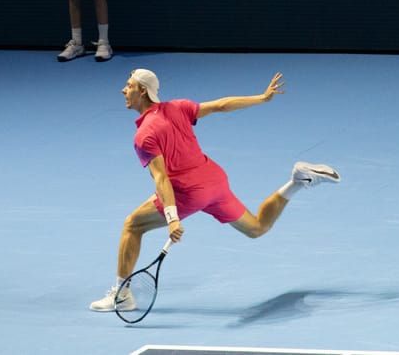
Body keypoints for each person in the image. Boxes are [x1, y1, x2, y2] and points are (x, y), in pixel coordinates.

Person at [89, 69, 341, 312]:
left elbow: (162, 179)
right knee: (257, 228)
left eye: (129, 85)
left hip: (189, 192)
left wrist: (172, 218)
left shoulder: (144, 136)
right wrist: (262, 98)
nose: (123, 90)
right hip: (215, 180)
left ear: (143, 91)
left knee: (133, 225)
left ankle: (121, 296)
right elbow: (221, 105)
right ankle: (298, 180)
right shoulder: (178, 106)